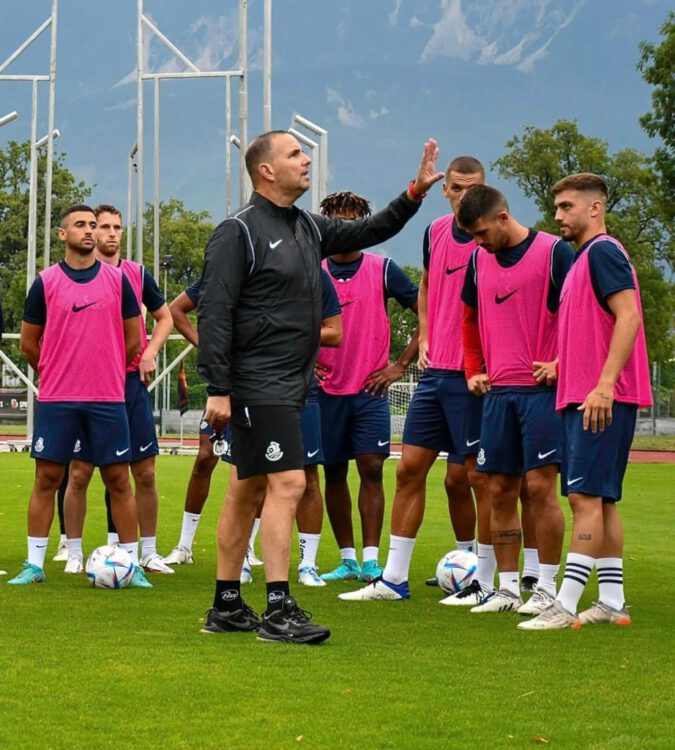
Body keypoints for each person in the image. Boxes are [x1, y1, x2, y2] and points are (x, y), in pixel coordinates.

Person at [197, 130, 442, 644]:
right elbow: (214, 313)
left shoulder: (307, 225)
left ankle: (226, 605)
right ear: (266, 170)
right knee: (290, 484)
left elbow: (371, 229)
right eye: (294, 153)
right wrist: (218, 388)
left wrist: (414, 193)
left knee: (247, 488)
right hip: (258, 382)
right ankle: (279, 609)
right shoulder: (237, 232)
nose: (306, 159)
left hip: (290, 383)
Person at [339, 157, 495, 603]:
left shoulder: (492, 240)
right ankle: (393, 580)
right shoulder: (435, 232)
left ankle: (485, 582)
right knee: (408, 470)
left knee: (475, 478)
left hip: (472, 376)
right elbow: (425, 287)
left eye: (473, 188)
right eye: (457, 187)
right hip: (434, 373)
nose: (464, 196)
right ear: (445, 190)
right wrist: (425, 335)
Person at [519, 173, 652, 630]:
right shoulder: (582, 260)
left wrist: (604, 385)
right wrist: (562, 365)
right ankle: (612, 601)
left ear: (595, 208)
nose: (557, 215)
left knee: (584, 497)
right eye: (556, 207)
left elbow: (628, 317)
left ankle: (566, 603)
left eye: (567, 207)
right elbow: (595, 328)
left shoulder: (603, 252)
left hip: (598, 400)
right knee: (603, 499)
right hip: (586, 395)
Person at [163, 269, 344, 591]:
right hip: (246, 385)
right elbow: (178, 309)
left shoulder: (313, 274)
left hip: (299, 386)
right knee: (245, 475)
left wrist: (289, 336)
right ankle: (240, 560)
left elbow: (335, 333)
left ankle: (307, 564)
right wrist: (213, 353)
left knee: (307, 475)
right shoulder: (234, 266)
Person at [8, 205, 150, 587]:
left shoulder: (118, 281)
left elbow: (134, 339)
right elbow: (28, 343)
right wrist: (55, 372)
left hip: (107, 397)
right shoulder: (45, 282)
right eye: (81, 225)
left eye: (93, 225)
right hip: (58, 398)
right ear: (62, 234)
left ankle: (132, 566)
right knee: (47, 477)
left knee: (119, 479)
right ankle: (34, 565)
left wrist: (107, 370)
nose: (89, 230)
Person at [452, 185, 574, 616]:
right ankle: (506, 590)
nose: (478, 242)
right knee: (499, 489)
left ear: (502, 217)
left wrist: (561, 362)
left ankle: (545, 587)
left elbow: (582, 314)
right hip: (497, 393)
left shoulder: (555, 252)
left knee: (540, 488)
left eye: (482, 233)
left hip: (541, 393)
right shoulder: (477, 260)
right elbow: (468, 318)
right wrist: (473, 369)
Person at [61, 205, 174, 575]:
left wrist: (150, 353)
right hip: (90, 387)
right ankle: (73, 552)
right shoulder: (76, 277)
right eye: (103, 226)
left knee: (145, 473)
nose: (110, 233)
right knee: (80, 472)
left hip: (129, 385)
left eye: (116, 227)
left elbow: (165, 317)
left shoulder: (136, 274)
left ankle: (148, 552)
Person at [316, 191, 419, 585]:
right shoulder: (312, 269)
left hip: (370, 390)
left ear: (364, 225)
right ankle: (347, 559)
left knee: (372, 468)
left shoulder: (384, 269)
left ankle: (372, 560)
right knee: (333, 471)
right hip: (325, 390)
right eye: (337, 221)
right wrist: (305, 362)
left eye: (352, 220)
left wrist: (399, 366)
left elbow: (427, 314)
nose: (345, 227)